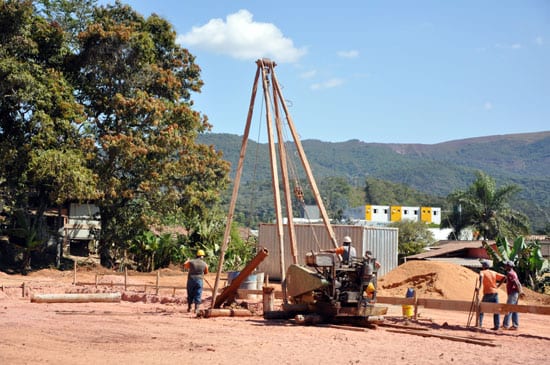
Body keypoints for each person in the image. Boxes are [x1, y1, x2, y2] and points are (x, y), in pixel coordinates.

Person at [478, 259, 506, 330]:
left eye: (482, 265)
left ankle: (479, 324)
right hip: (495, 293)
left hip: (488, 293)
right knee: (496, 310)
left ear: (484, 266)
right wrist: (498, 286)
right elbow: (504, 277)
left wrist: (479, 287)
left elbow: (481, 277)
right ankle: (497, 326)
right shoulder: (493, 272)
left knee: (481, 308)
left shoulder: (482, 272)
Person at [184, 249, 209, 313]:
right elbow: (206, 272)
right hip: (199, 280)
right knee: (198, 293)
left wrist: (188, 260)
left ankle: (189, 307)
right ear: (202, 256)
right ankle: (196, 309)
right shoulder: (204, 264)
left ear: (197, 255)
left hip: (191, 280)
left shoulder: (191, 262)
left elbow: (185, 265)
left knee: (190, 294)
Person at [502, 260, 523, 330]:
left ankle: (505, 325)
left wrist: (520, 292)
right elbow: (517, 283)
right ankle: (515, 325)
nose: (505, 266)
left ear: (509, 266)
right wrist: (520, 291)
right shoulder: (513, 273)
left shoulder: (510, 274)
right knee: (514, 309)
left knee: (509, 308)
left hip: (513, 293)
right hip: (514, 293)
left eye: (506, 265)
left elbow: (516, 283)